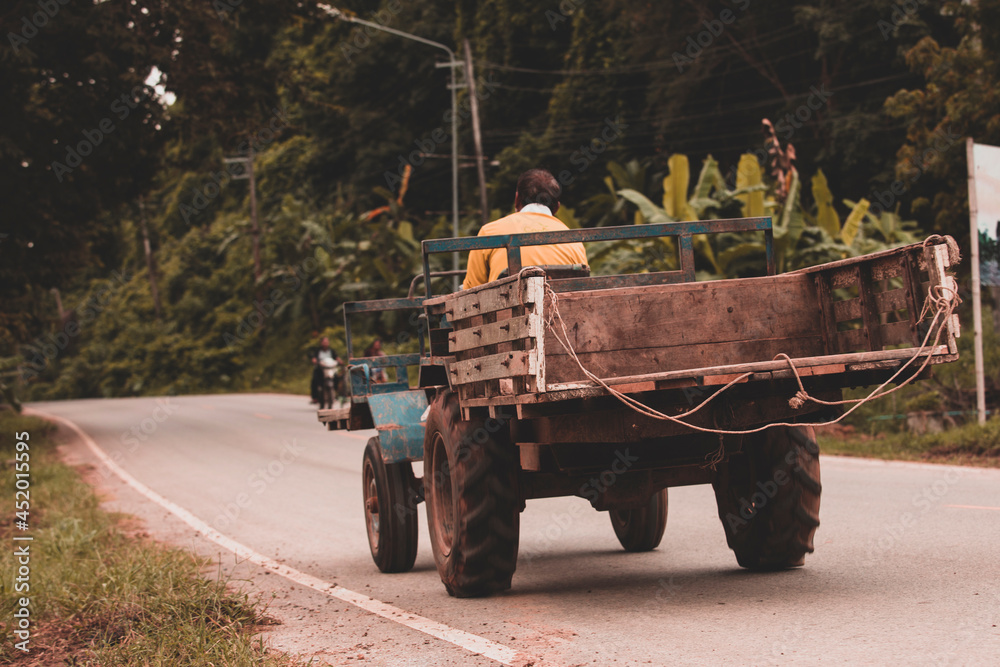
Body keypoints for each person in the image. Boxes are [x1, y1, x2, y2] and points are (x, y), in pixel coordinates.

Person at [462, 169, 589, 289]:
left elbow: (472, 288)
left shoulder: (489, 232)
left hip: (504, 311)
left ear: (517, 200)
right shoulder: (574, 240)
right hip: (560, 311)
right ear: (556, 208)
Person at [309, 337, 339, 404]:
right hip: (321, 369)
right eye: (324, 342)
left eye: (326, 342)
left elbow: (336, 358)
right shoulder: (318, 351)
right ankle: (315, 397)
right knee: (314, 380)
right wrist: (314, 361)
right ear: (321, 343)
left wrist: (340, 361)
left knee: (337, 377)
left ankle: (336, 393)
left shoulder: (331, 351)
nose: (325, 344)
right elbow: (314, 358)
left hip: (330, 369)